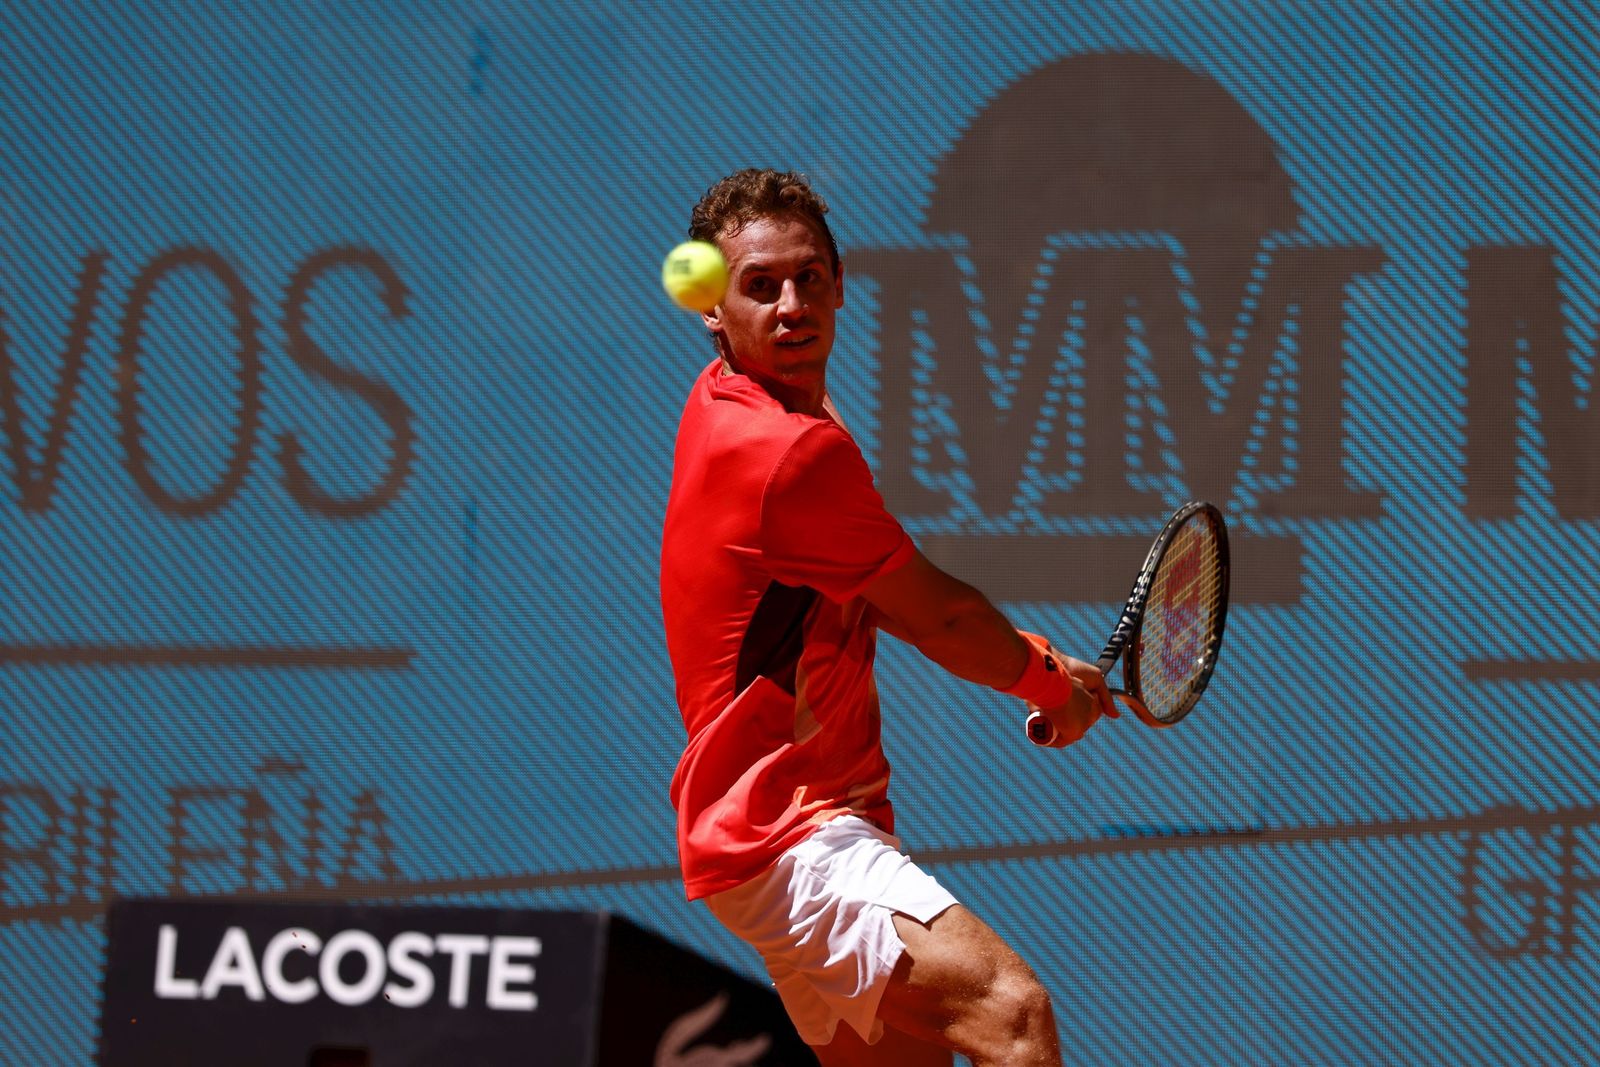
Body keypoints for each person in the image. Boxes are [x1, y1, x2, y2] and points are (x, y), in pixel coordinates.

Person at [659, 168, 1117, 1067]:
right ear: (713, 307)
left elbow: (883, 597)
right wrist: (1048, 684)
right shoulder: (785, 453)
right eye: (760, 286)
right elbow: (939, 615)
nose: (791, 306)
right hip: (790, 831)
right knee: (1014, 1016)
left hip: (782, 830)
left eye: (809, 279)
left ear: (839, 284)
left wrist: (1041, 661)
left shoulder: (741, 399)